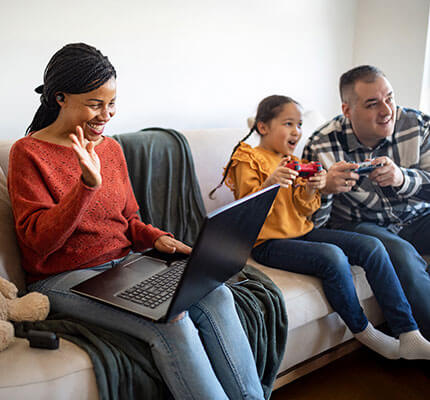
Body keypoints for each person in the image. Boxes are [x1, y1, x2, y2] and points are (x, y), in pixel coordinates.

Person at [7, 43, 264, 400]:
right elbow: (38, 242)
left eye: (111, 104)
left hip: (125, 266)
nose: (106, 115)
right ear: (60, 98)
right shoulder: (29, 152)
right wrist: (85, 187)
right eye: (95, 104)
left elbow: (128, 220)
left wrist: (157, 238)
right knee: (171, 324)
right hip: (61, 277)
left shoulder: (110, 149)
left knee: (218, 294)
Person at [212, 94, 430, 360]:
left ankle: (409, 333)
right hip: (267, 243)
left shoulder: (295, 162)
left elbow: (305, 211)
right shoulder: (247, 158)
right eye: (289, 123)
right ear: (263, 127)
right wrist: (270, 183)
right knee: (333, 256)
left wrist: (313, 189)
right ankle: (365, 332)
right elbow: (246, 213)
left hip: (303, 231)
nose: (297, 132)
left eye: (300, 125)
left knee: (372, 246)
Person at [303, 65, 430, 341]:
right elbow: (311, 225)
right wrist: (326, 190)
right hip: (364, 224)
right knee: (402, 256)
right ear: (347, 110)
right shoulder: (321, 146)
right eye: (372, 104)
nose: (387, 111)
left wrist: (402, 178)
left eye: (390, 98)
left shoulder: (418, 125)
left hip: (419, 215)